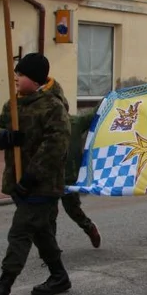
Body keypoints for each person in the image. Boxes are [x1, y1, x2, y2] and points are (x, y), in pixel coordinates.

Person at [0, 53, 71, 295]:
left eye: (21, 74)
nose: (15, 77)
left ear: (36, 79)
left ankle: (2, 288)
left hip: (42, 184)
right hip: (19, 182)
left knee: (20, 232)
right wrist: (4, 137)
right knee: (41, 232)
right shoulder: (14, 104)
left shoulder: (53, 106)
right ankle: (59, 276)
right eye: (16, 72)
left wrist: (31, 177)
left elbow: (56, 146)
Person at [55, 91, 103, 249]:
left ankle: (89, 227)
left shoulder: (75, 123)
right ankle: (51, 249)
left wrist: (110, 98)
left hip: (69, 177)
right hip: (47, 177)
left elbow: (93, 114)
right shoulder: (42, 126)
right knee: (47, 213)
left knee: (72, 209)